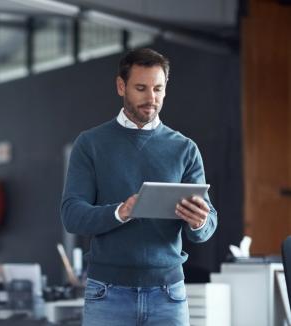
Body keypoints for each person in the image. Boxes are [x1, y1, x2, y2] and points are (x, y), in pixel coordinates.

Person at [60, 48, 217, 326]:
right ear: (121, 86)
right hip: (106, 293)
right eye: (141, 88)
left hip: (169, 295)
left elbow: (207, 225)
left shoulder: (184, 148)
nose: (151, 98)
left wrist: (199, 221)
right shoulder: (91, 144)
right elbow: (72, 215)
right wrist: (120, 212)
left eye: (158, 88)